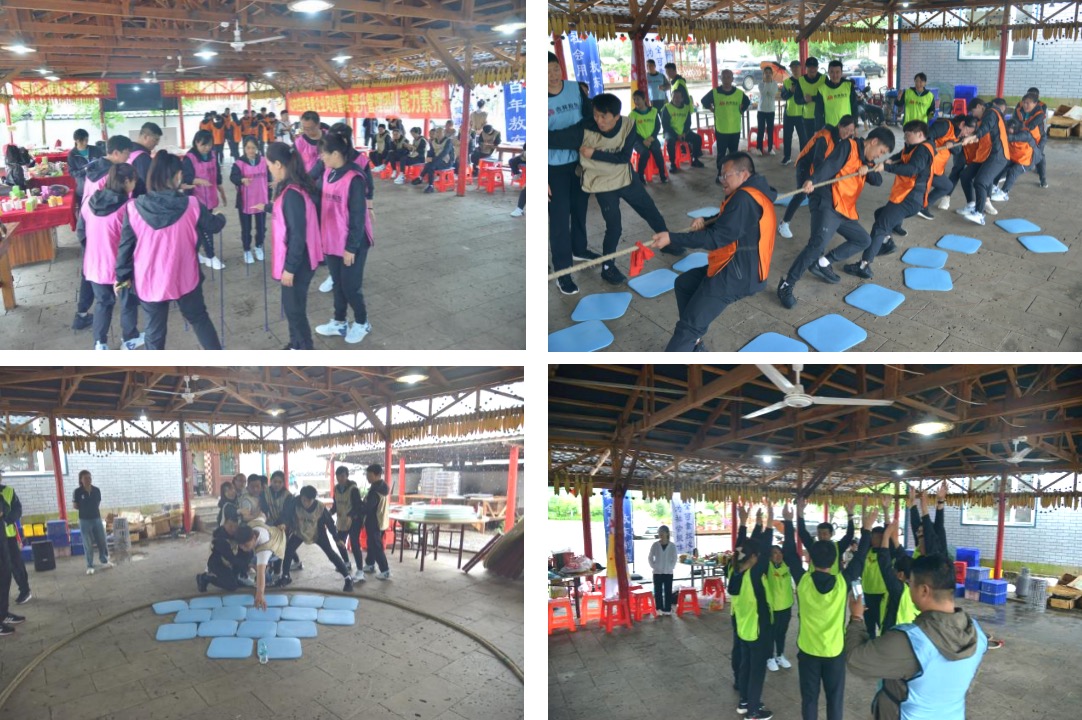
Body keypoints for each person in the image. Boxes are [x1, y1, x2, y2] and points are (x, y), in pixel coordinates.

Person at [651, 152, 776, 352]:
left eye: (726, 175)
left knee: (687, 328)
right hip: (739, 265)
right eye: (720, 175)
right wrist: (706, 221)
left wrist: (672, 238)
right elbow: (728, 220)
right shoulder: (753, 191)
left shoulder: (744, 198)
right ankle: (695, 342)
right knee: (684, 283)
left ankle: (685, 345)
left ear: (744, 174)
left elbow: (716, 239)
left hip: (738, 274)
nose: (721, 180)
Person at [550, 92, 674, 287]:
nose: (599, 120)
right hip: (602, 184)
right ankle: (608, 268)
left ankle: (667, 242)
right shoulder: (584, 129)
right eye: (596, 115)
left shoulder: (628, 125)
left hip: (626, 179)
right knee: (614, 227)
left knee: (650, 211)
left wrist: (594, 153)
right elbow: (552, 139)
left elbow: (624, 157)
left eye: (604, 116)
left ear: (616, 116)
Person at [846, 553, 988, 720]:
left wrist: (856, 617)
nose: (909, 588)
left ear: (924, 590)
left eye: (910, 584)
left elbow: (856, 660)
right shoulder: (977, 633)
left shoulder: (909, 641)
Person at [115, 152, 225, 350]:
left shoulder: (134, 208)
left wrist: (122, 278)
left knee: (154, 332)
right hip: (185, 276)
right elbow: (214, 225)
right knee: (199, 319)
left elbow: (125, 248)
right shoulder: (192, 204)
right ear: (178, 176)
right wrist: (221, 217)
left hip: (150, 280)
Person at [777, 125, 893, 306]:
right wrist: (812, 180)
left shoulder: (867, 160)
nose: (880, 155)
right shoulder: (848, 146)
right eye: (881, 151)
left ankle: (823, 263)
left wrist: (869, 166)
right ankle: (786, 284)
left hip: (844, 209)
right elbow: (829, 165)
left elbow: (877, 181)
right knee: (817, 244)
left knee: (863, 240)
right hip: (827, 202)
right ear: (874, 142)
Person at [782, 502, 877, 720]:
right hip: (834, 651)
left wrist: (788, 521)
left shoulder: (803, 581)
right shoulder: (842, 582)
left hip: (808, 651)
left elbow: (789, 553)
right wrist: (867, 529)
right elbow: (860, 557)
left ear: (810, 558)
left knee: (809, 699)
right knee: (835, 699)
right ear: (835, 560)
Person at [249, 142, 324, 350]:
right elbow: (288, 214)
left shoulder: (292, 192)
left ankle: (304, 349)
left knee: (294, 310)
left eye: (269, 165)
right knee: (292, 307)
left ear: (279, 164)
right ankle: (296, 344)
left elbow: (298, 235)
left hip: (299, 261)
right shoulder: (292, 186)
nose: (269, 169)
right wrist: (268, 207)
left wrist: (290, 269)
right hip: (300, 258)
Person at [850, 120, 934, 275]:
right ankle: (887, 242)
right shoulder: (914, 146)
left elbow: (912, 169)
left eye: (908, 135)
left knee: (880, 226)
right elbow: (902, 156)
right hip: (907, 196)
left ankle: (864, 266)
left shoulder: (923, 150)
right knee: (880, 214)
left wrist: (887, 167)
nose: (905, 138)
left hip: (909, 198)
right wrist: (890, 159)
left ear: (920, 134)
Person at [313, 132, 374, 345]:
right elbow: (315, 197)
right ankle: (339, 322)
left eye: (324, 154)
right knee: (337, 283)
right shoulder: (328, 172)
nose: (321, 157)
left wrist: (351, 248)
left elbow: (358, 217)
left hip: (352, 242)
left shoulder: (354, 178)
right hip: (332, 239)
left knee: (350, 287)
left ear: (336, 154)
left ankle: (362, 322)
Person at [77, 163, 144, 350]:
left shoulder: (88, 202)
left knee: (103, 303)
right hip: (120, 269)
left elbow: (81, 233)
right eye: (134, 181)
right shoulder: (129, 207)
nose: (134, 185)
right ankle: (129, 338)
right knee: (127, 302)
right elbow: (132, 241)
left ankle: (100, 344)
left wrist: (93, 251)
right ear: (126, 181)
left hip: (94, 266)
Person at [548, 51, 595, 296]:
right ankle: (563, 272)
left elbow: (589, 121)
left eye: (555, 68)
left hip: (578, 163)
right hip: (551, 169)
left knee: (579, 209)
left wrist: (558, 138)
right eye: (546, 72)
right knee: (559, 221)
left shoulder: (575, 89)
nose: (553, 75)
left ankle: (580, 249)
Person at [727, 502, 776, 720]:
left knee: (746, 665)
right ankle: (753, 711)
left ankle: (745, 701)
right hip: (758, 630)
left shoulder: (735, 571)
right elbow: (764, 544)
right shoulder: (755, 574)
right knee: (757, 669)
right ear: (755, 557)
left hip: (743, 628)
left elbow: (742, 547)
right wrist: (769, 520)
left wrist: (744, 523)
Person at [777, 115, 857, 240]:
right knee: (801, 193)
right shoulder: (824, 137)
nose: (848, 134)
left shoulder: (845, 140)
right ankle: (784, 223)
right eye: (846, 130)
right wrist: (817, 179)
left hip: (820, 169)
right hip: (806, 165)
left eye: (851, 131)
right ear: (840, 126)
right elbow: (818, 162)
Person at [279, 485, 356, 588]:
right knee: (289, 550)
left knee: (330, 553)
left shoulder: (320, 507)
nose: (306, 503)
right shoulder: (295, 502)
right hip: (300, 531)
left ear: (313, 499)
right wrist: (284, 523)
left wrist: (336, 539)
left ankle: (348, 578)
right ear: (301, 497)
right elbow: (286, 515)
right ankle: (285, 576)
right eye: (304, 500)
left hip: (318, 533)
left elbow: (330, 523)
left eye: (309, 501)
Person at [956, 97, 1009, 226]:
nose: (974, 115)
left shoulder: (991, 113)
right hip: (986, 154)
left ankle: (979, 214)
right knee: (965, 175)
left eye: (974, 111)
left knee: (980, 181)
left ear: (980, 106)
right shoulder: (987, 115)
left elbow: (985, 128)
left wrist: (974, 136)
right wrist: (971, 137)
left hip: (998, 155)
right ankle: (971, 205)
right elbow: (984, 131)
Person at [181, 130, 228, 269]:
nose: (207, 148)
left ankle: (199, 253)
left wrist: (222, 193)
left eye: (209, 145)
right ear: (196, 143)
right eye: (204, 145)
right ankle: (210, 255)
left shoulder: (213, 155)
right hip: (196, 199)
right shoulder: (189, 158)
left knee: (203, 228)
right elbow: (186, 178)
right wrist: (200, 181)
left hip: (210, 197)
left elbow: (217, 175)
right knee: (204, 227)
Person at [701, 69, 750, 182]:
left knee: (734, 153)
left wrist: (741, 110)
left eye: (729, 77)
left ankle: (733, 173)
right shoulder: (715, 92)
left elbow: (747, 102)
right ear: (721, 79)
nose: (726, 79)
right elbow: (704, 101)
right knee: (721, 153)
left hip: (735, 128)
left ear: (732, 79)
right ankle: (720, 173)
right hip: (721, 129)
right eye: (724, 77)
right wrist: (711, 108)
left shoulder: (739, 93)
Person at [993, 99, 1044, 202]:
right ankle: (993, 186)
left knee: (1013, 172)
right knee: (1001, 165)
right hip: (1015, 157)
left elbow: (1010, 138)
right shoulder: (1012, 130)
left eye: (1011, 129)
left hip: (1027, 160)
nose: (1009, 131)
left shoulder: (1025, 134)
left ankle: (1004, 193)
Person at [230, 136, 271, 264]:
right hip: (245, 200)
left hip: (261, 199)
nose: (251, 150)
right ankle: (247, 250)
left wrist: (271, 187)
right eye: (248, 148)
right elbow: (233, 177)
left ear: (257, 148)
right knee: (246, 228)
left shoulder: (264, 161)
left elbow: (269, 177)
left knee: (261, 227)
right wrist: (242, 180)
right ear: (244, 148)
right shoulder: (239, 163)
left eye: (253, 148)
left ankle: (258, 246)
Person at [918, 114, 965, 219]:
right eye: (969, 130)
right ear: (962, 124)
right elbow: (928, 136)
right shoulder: (945, 125)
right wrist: (932, 149)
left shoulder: (959, 135)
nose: (968, 133)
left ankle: (923, 206)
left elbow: (957, 150)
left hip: (937, 169)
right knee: (912, 191)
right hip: (926, 166)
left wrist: (951, 143)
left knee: (947, 186)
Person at [796, 498, 858, 575]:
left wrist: (850, 515)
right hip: (813, 581)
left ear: (831, 534)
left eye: (825, 534)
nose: (821, 536)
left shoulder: (838, 547)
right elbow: (802, 532)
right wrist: (800, 513)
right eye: (819, 533)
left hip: (833, 582)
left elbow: (849, 535)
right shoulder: (813, 546)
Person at [196, 514, 253, 592]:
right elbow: (232, 559)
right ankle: (205, 577)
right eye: (230, 526)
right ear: (224, 524)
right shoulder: (219, 538)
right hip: (217, 563)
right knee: (232, 585)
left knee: (249, 552)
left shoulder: (237, 533)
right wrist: (249, 565)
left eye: (235, 526)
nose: (233, 529)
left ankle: (240, 575)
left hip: (230, 561)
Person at [72, 470, 113, 576]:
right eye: (85, 478)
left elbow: (97, 503)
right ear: (81, 480)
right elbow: (75, 506)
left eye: (89, 477)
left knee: (102, 540)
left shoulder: (96, 490)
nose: (88, 480)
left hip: (96, 519)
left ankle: (104, 560)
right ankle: (90, 565)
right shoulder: (77, 492)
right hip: (84, 520)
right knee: (88, 544)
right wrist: (85, 509)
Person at [0, 473, 31, 603]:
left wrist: (6, 520)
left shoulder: (8, 491)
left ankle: (25, 591)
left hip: (8, 535)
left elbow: (17, 510)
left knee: (15, 564)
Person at [0, 487, 26, 636]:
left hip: (4, 537)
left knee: (5, 575)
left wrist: (6, 517)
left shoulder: (6, 491)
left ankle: (3, 614)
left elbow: (7, 508)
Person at [660, 87, 704, 174]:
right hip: (671, 132)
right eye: (674, 97)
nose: (676, 99)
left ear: (682, 98)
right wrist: (677, 135)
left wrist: (684, 133)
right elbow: (665, 125)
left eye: (678, 97)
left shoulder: (686, 108)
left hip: (683, 132)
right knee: (670, 142)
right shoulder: (667, 108)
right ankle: (673, 163)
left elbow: (688, 123)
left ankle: (694, 159)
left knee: (697, 138)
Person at [764, 542, 794, 672]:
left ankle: (780, 655)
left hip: (786, 606)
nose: (778, 555)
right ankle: (769, 657)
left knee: (782, 633)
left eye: (780, 552)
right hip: (773, 607)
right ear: (770, 556)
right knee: (771, 633)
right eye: (775, 553)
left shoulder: (786, 566)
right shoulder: (767, 567)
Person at [330, 466, 364, 577]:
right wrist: (328, 513)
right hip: (342, 520)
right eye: (338, 476)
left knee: (354, 544)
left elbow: (358, 506)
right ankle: (346, 563)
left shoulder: (353, 489)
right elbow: (335, 505)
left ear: (347, 476)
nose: (340, 479)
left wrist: (350, 516)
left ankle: (360, 571)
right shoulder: (336, 489)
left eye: (342, 476)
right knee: (339, 542)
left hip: (354, 521)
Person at [359, 464, 391, 580]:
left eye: (370, 475)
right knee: (371, 544)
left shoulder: (375, 491)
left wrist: (359, 505)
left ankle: (385, 570)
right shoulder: (382, 487)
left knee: (376, 546)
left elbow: (368, 507)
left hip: (374, 521)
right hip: (380, 520)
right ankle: (370, 564)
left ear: (377, 475)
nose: (367, 477)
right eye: (367, 475)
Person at [629, 90, 667, 184]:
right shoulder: (632, 115)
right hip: (638, 141)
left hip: (652, 138)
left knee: (656, 151)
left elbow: (658, 126)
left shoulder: (653, 111)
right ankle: (640, 176)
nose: (636, 102)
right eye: (634, 99)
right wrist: (643, 140)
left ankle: (662, 175)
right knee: (645, 153)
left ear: (644, 99)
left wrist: (652, 137)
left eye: (638, 99)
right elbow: (632, 131)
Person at [1015, 87, 1048, 188]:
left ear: (1035, 101)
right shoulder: (1019, 106)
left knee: (1039, 155)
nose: (1025, 105)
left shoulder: (1041, 108)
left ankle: (1043, 179)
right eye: (1024, 102)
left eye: (1028, 103)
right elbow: (1014, 119)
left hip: (1039, 136)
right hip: (1025, 134)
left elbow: (1033, 125)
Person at [815, 61, 858, 131]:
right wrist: (818, 130)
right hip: (830, 128)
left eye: (837, 72)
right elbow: (818, 113)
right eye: (832, 72)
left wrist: (855, 126)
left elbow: (854, 108)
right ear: (828, 72)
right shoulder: (822, 89)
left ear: (841, 73)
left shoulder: (848, 86)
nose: (835, 75)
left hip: (847, 126)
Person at [67, 129, 104, 205]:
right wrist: (85, 170)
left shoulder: (96, 149)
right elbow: (72, 173)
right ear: (76, 140)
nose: (85, 143)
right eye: (82, 141)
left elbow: (104, 162)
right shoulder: (72, 155)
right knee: (84, 208)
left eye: (86, 140)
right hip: (83, 187)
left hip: (98, 186)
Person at [780, 60, 806, 165]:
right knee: (787, 137)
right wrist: (790, 91)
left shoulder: (805, 81)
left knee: (803, 138)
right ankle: (787, 157)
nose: (795, 69)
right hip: (789, 113)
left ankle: (803, 158)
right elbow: (783, 96)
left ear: (801, 68)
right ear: (790, 69)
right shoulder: (787, 82)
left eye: (797, 67)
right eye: (793, 67)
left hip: (802, 114)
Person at [793, 57, 827, 139]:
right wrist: (804, 100)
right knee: (809, 142)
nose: (812, 69)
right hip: (807, 117)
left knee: (822, 141)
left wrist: (813, 98)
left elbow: (828, 97)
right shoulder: (801, 80)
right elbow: (797, 99)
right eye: (809, 67)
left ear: (817, 68)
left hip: (822, 117)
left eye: (814, 67)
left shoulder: (824, 79)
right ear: (806, 68)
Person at [127, 122, 162, 199]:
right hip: (139, 199)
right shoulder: (142, 157)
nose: (157, 143)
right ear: (145, 137)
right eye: (155, 140)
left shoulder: (128, 151)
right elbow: (149, 182)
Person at [647, 524, 676, 616]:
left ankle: (667, 609)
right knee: (658, 591)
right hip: (657, 572)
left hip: (668, 572)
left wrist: (671, 567)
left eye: (662, 532)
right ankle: (658, 608)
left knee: (668, 591)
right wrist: (654, 566)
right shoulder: (655, 545)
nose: (660, 534)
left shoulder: (672, 546)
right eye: (659, 532)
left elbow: (674, 558)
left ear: (667, 533)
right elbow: (650, 557)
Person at [418, 126, 456, 193]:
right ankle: (424, 181)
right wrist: (428, 157)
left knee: (431, 165)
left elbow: (444, 153)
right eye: (437, 132)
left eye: (440, 132)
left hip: (447, 162)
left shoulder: (448, 141)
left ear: (444, 133)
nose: (438, 134)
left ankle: (427, 183)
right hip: (437, 161)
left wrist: (432, 159)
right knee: (428, 164)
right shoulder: (433, 142)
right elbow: (431, 152)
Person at [294, 110, 326, 175]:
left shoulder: (329, 137)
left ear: (318, 125)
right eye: (304, 128)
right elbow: (294, 162)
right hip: (307, 178)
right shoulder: (299, 142)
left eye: (309, 128)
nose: (306, 131)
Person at [756, 66, 778, 156]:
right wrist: (766, 83)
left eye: (769, 73)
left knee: (770, 130)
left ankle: (770, 148)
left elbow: (772, 94)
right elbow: (763, 93)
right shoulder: (760, 84)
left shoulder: (775, 84)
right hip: (761, 110)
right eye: (766, 73)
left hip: (771, 110)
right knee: (761, 130)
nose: (768, 74)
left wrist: (769, 85)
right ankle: (759, 148)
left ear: (772, 74)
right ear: (763, 74)